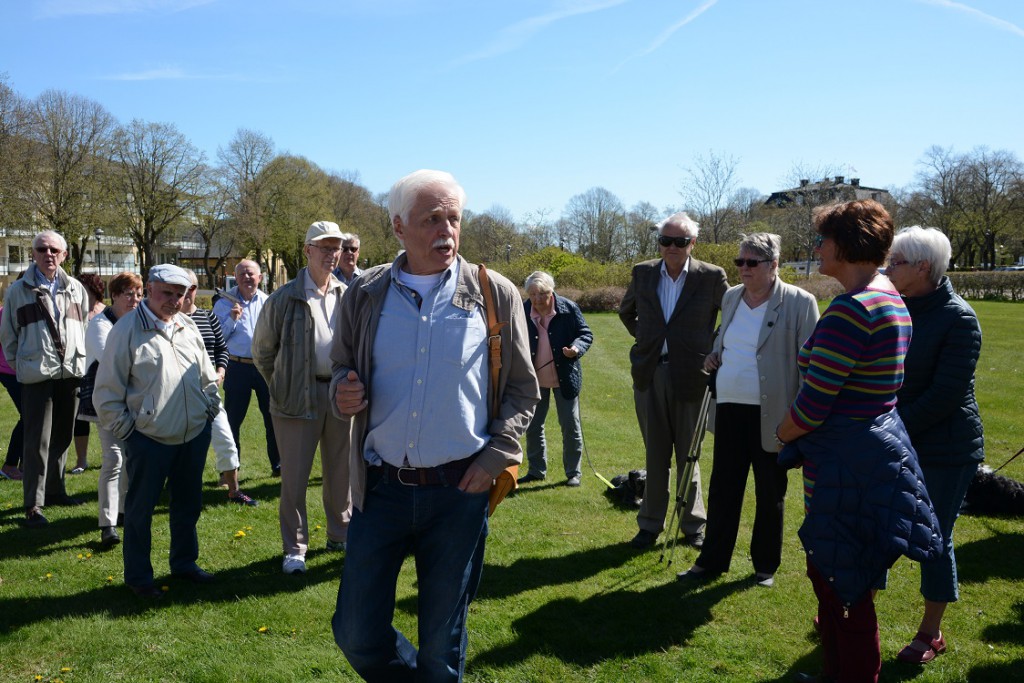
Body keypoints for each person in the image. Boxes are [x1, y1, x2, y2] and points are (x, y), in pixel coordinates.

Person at [330, 169, 539, 682]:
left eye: (453, 219)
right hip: (381, 491)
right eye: (432, 219)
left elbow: (522, 389)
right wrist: (342, 390)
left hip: (459, 493)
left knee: (441, 651)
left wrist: (498, 453)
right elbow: (339, 367)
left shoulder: (495, 294)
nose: (446, 231)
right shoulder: (366, 293)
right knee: (355, 632)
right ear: (399, 227)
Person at [775, 200, 943, 683]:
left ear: (844, 246)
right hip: (868, 455)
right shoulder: (890, 295)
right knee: (842, 584)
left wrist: (779, 435)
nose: (817, 248)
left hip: (843, 466)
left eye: (822, 239)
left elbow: (812, 406)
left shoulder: (851, 310)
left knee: (841, 587)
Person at [678, 233, 818, 587]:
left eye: (751, 263)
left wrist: (799, 423)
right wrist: (715, 353)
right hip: (728, 408)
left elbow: (811, 366)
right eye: (739, 262)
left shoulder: (801, 302)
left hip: (774, 415)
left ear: (773, 265)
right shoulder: (731, 297)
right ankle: (712, 561)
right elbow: (727, 339)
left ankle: (765, 567)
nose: (742, 269)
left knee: (770, 491)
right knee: (723, 487)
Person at [94, 264, 221, 599]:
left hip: (192, 434)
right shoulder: (126, 330)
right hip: (148, 439)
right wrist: (131, 432)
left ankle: (184, 563)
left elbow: (207, 376)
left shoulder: (187, 324)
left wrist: (210, 409)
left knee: (188, 506)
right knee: (139, 512)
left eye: (180, 294)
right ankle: (138, 577)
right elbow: (106, 392)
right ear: (149, 289)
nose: (174, 300)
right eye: (167, 293)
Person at [887, 226, 984, 664]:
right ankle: (856, 610)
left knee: (933, 537)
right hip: (900, 439)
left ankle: (931, 633)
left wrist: (889, 426)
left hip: (947, 449)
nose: (888, 269)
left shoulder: (959, 318)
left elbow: (945, 396)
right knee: (879, 524)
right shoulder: (896, 307)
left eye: (896, 262)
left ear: (923, 268)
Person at [618, 212, 727, 550]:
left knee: (688, 455)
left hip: (693, 376)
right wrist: (646, 339)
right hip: (650, 374)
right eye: (665, 241)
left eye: (679, 242)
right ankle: (650, 525)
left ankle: (693, 526)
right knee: (655, 455)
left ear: (692, 244)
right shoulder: (643, 272)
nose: (671, 247)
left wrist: (715, 346)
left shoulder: (711, 277)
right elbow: (626, 312)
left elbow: (733, 315)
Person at [254, 220, 353, 575]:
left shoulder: (346, 295)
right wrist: (283, 384)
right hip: (296, 398)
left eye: (336, 248)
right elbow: (263, 353)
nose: (331, 254)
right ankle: (295, 547)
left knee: (340, 472)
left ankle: (339, 534)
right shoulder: (284, 298)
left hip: (338, 395)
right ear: (308, 250)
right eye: (324, 248)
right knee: (294, 478)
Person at [0, 230, 89, 527]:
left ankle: (55, 491)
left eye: (54, 250)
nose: (48, 254)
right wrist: (24, 365)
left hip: (70, 374)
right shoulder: (18, 291)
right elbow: (8, 338)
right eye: (42, 249)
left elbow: (83, 328)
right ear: (33, 254)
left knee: (63, 436)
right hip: (37, 375)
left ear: (64, 254)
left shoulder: (76, 288)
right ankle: (33, 505)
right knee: (36, 440)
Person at [183, 271, 256, 506]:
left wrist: (221, 370)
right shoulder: (168, 320)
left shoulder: (207, 316)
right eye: (183, 288)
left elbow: (222, 349)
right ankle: (177, 489)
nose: (188, 293)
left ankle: (234, 491)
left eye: (192, 288)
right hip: (179, 393)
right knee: (180, 444)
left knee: (225, 438)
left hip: (208, 389)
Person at [81, 271, 143, 547]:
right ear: (115, 295)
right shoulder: (99, 324)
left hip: (135, 400)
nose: (135, 299)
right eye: (129, 293)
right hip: (106, 401)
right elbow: (112, 362)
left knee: (132, 457)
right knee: (114, 458)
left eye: (139, 294)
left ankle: (124, 512)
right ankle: (107, 524)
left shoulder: (138, 322)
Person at [517, 270, 593, 487]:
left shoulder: (568, 308)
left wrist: (576, 349)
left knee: (570, 425)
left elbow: (586, 333)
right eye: (533, 294)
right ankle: (536, 470)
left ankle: (573, 473)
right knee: (532, 425)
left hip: (565, 378)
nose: (538, 299)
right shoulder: (522, 310)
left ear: (552, 291)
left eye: (543, 293)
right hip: (534, 379)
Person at [214, 259, 280, 477]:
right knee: (232, 421)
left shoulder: (269, 301)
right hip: (236, 365)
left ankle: (278, 465)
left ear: (260, 278)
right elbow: (218, 339)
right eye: (242, 274)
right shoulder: (224, 303)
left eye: (251, 273)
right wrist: (232, 319)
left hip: (264, 367)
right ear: (236, 277)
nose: (247, 277)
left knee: (273, 418)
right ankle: (230, 470)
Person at [70, 272, 106, 474]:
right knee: (80, 418)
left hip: (101, 371)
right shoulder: (73, 311)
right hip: (79, 370)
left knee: (104, 415)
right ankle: (81, 460)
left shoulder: (106, 312)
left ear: (93, 289)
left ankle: (108, 455)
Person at [0, 305, 24, 481]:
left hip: (26, 371)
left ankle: (24, 463)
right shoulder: (5, 312)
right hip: (9, 371)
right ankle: (10, 465)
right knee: (29, 416)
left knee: (33, 417)